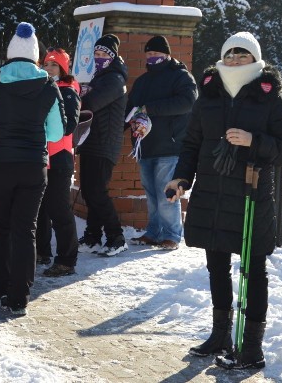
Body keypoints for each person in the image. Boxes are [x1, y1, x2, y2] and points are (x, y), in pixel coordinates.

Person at [165, 31, 282, 370]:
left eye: (243, 55)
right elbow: (192, 143)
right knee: (216, 267)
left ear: (255, 59)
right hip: (212, 192)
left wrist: (254, 140)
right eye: (231, 54)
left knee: (254, 270)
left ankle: (251, 348)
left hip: (251, 194)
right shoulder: (208, 94)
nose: (236, 60)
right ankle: (220, 335)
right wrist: (182, 178)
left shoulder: (270, 96)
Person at [0, 22, 65, 316]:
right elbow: (57, 133)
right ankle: (19, 296)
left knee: (0, 227)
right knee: (26, 230)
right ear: (36, 56)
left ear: (10, 54)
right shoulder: (49, 86)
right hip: (34, 167)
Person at [126, 35, 197, 251]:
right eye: (148, 54)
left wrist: (150, 108)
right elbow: (130, 109)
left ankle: (172, 235)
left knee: (166, 192)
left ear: (167, 54)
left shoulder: (181, 77)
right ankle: (154, 232)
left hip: (170, 146)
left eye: (156, 54)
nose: (152, 57)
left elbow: (187, 103)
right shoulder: (142, 81)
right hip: (145, 146)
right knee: (151, 193)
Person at [77, 33, 129, 256]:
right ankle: (92, 236)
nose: (98, 58)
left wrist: (76, 97)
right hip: (92, 141)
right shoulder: (99, 77)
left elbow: (90, 103)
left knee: (97, 192)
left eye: (102, 54)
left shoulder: (114, 80)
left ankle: (116, 237)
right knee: (89, 191)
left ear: (113, 57)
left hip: (104, 143)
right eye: (96, 54)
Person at [35, 48, 81, 277]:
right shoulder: (43, 88)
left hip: (60, 156)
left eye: (54, 65)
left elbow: (69, 125)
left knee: (58, 208)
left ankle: (66, 259)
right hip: (44, 155)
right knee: (40, 206)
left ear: (63, 68)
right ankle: (41, 251)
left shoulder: (69, 90)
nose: (49, 69)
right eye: (46, 64)